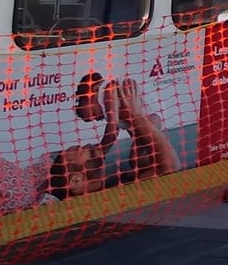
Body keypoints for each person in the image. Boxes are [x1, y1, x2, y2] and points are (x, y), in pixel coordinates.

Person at [47, 76, 181, 200]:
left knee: (138, 159)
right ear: (75, 180)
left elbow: (113, 128)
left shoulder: (116, 183)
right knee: (138, 158)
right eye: (81, 150)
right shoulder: (116, 195)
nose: (88, 145)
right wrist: (137, 116)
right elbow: (171, 167)